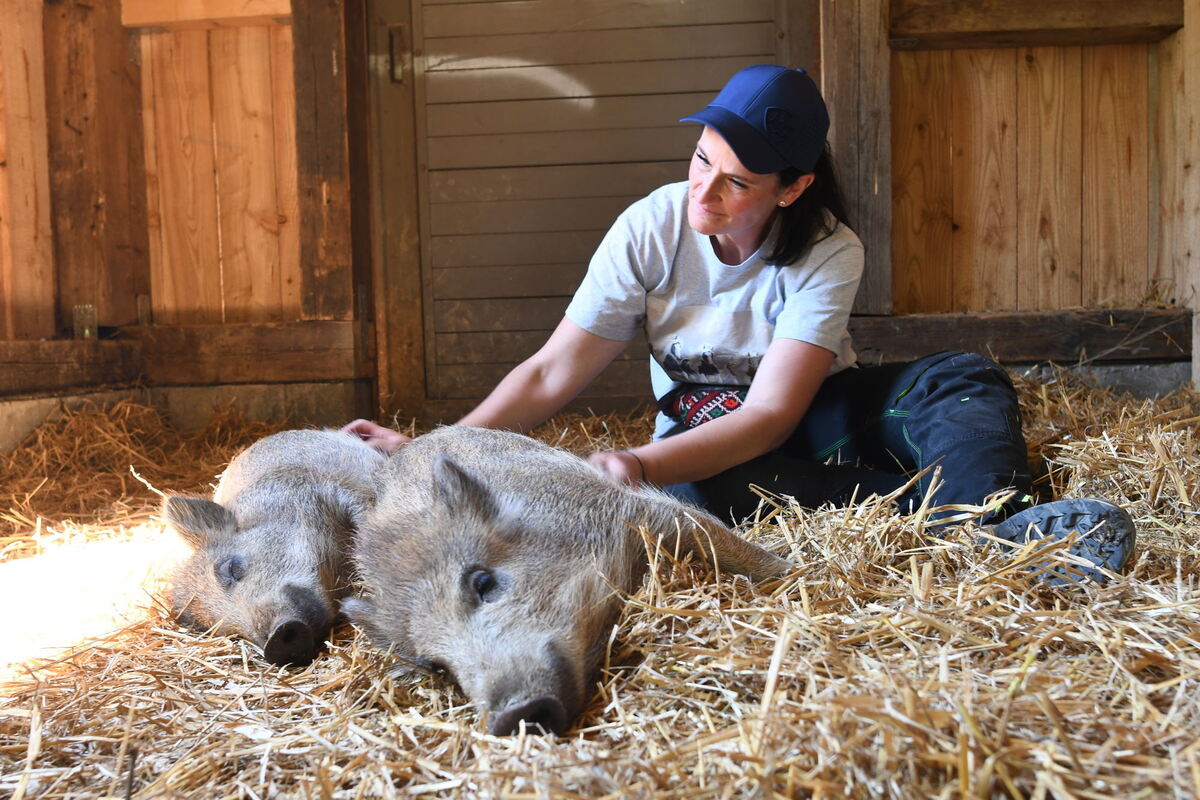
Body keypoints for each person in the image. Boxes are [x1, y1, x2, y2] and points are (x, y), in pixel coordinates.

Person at [345, 64, 1135, 585]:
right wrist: (438, 448)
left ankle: (1001, 542)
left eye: (735, 183)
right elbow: (553, 371)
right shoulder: (650, 228)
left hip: (821, 423)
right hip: (715, 448)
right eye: (699, 161)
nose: (703, 195)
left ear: (790, 191)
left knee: (960, 382)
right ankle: (940, 515)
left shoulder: (829, 248)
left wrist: (636, 463)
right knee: (693, 489)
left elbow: (772, 414)